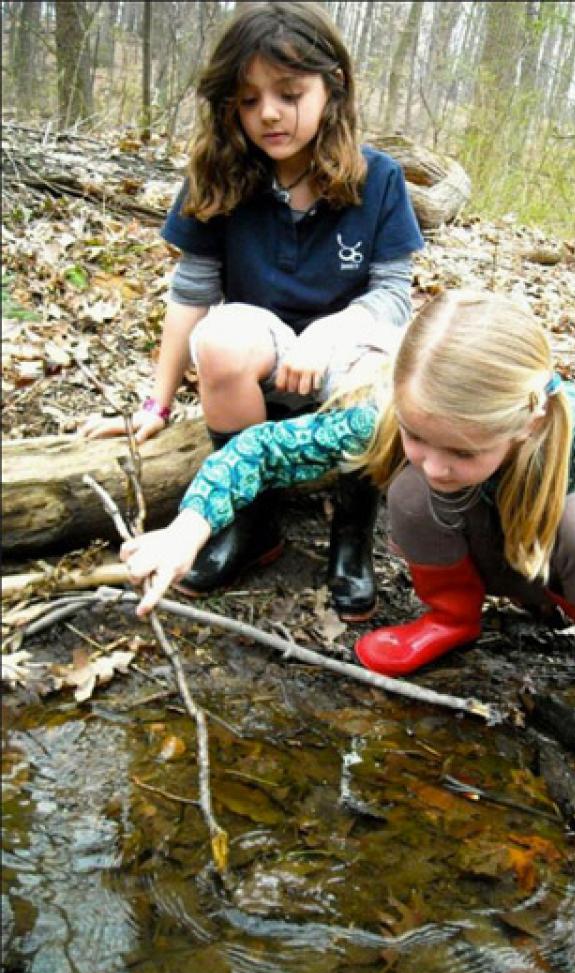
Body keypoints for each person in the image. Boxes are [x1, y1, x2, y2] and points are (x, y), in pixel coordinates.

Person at [121, 290, 575, 762]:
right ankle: (450, 619)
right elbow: (261, 450)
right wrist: (188, 529)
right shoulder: (396, 417)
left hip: (549, 568)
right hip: (466, 555)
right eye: (418, 436)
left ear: (527, 421)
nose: (436, 461)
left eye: (463, 451)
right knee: (412, 488)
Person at [82, 1, 424, 623]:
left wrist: (330, 332)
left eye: (290, 93)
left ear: (333, 88)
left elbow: (395, 297)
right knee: (219, 339)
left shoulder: (379, 178)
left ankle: (353, 531)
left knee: (375, 363)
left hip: (346, 357)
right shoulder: (219, 174)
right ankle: (251, 521)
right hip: (256, 355)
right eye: (247, 100)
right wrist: (154, 406)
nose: (269, 113)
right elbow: (192, 292)